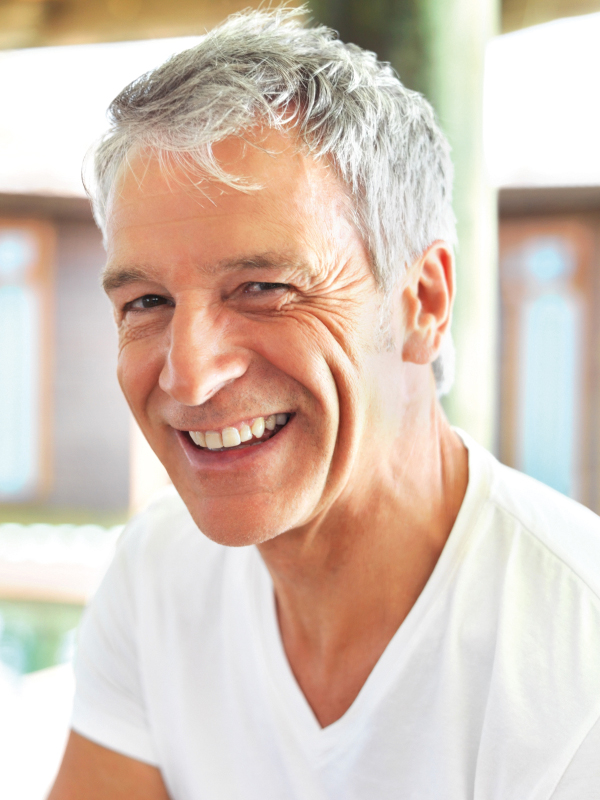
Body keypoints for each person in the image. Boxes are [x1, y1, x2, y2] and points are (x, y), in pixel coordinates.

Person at [50, 8, 600, 799]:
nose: (190, 376)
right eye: (146, 301)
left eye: (264, 287)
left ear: (423, 302)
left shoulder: (576, 656)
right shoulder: (159, 574)